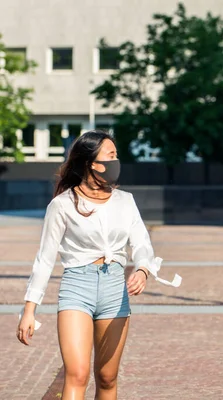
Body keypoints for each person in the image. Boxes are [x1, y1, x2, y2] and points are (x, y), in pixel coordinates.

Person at [16, 130, 180, 400]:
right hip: (76, 287)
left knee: (107, 378)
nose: (117, 161)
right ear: (92, 162)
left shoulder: (125, 201)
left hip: (115, 289)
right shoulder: (62, 205)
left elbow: (141, 242)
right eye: (111, 155)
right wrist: (29, 310)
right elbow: (44, 259)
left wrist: (142, 268)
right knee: (77, 374)